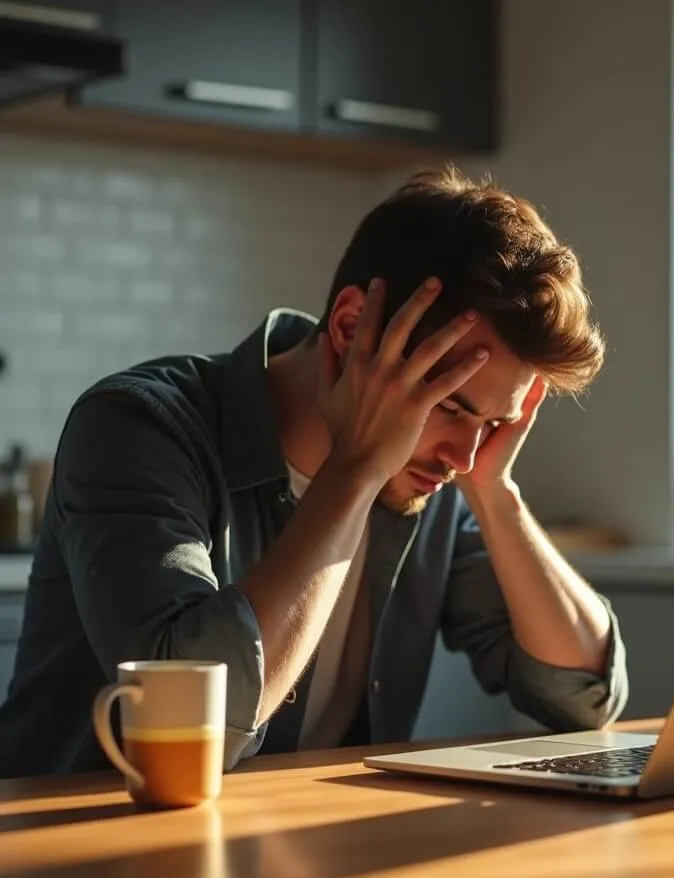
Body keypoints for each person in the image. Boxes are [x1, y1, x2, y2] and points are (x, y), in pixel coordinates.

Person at [0, 167, 629, 777]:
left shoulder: (434, 478)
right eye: (449, 405)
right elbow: (201, 726)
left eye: (494, 423)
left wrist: (497, 493)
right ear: (353, 328)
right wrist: (354, 471)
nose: (463, 456)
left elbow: (581, 697)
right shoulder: (139, 426)